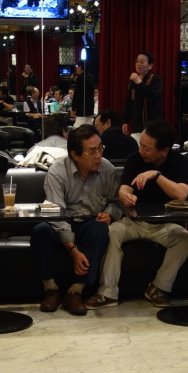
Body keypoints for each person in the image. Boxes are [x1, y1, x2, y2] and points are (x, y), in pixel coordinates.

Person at [87, 119, 188, 309]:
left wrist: (156, 175)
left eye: (146, 148)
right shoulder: (134, 159)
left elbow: (181, 194)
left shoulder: (179, 162)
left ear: (164, 150)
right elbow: (124, 189)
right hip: (134, 221)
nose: (141, 150)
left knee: (185, 239)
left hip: (165, 225)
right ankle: (107, 293)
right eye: (141, 145)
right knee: (110, 233)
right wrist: (126, 196)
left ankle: (158, 288)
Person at [30, 124, 118, 316]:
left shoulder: (107, 169)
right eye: (92, 151)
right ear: (75, 155)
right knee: (40, 231)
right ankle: (51, 289)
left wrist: (110, 213)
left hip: (89, 222)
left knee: (100, 230)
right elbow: (55, 213)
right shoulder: (57, 171)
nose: (98, 155)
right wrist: (73, 250)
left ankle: (75, 291)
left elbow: (115, 201)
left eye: (100, 148)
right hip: (61, 221)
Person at [124, 50, 162, 135]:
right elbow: (129, 101)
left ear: (150, 66)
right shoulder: (133, 80)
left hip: (151, 124)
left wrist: (139, 82)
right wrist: (125, 121)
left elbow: (152, 96)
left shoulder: (156, 79)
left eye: (142, 62)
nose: (138, 64)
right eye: (137, 61)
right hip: (136, 124)